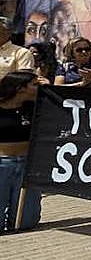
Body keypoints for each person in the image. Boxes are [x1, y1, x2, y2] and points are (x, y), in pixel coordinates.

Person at [0, 71, 42, 231]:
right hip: (2, 164)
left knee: (25, 222)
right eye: (35, 85)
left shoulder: (36, 107)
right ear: (20, 88)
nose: (39, 88)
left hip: (27, 165)